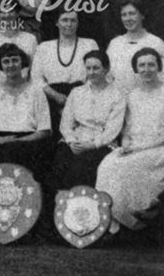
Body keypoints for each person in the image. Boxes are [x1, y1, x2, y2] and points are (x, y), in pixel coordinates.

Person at [96, 47, 164, 232]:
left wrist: (142, 149)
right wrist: (127, 146)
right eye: (142, 65)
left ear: (159, 67)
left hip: (163, 147)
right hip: (135, 147)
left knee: (125, 167)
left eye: (151, 64)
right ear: (136, 69)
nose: (146, 69)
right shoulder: (132, 96)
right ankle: (114, 222)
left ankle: (131, 222)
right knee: (107, 164)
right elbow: (127, 131)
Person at [51, 50, 126, 190]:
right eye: (88, 68)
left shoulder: (117, 95)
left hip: (101, 143)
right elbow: (66, 123)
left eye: (96, 68)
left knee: (82, 166)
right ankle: (63, 206)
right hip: (76, 140)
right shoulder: (77, 92)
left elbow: (113, 129)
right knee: (60, 161)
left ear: (106, 68)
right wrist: (71, 141)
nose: (92, 72)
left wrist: (92, 145)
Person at [0, 44, 52, 178]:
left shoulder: (36, 91)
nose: (11, 65)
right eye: (6, 61)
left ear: (22, 62)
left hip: (30, 144)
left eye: (15, 60)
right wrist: (0, 140)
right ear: (0, 65)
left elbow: (44, 130)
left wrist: (20, 142)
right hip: (0, 143)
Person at [30, 11, 99, 133]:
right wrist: (55, 96)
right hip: (52, 99)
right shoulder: (44, 47)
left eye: (73, 20)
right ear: (57, 23)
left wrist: (75, 98)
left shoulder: (89, 44)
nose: (69, 24)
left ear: (78, 23)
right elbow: (36, 78)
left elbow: (95, 73)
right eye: (65, 20)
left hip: (83, 97)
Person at [106, 0, 164, 93]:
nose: (128, 19)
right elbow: (108, 76)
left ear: (142, 15)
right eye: (124, 15)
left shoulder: (156, 43)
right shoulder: (115, 44)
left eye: (132, 14)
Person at [0, 7, 37, 88]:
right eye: (2, 12)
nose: (7, 15)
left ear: (17, 14)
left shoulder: (30, 38)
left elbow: (35, 70)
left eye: (11, 11)